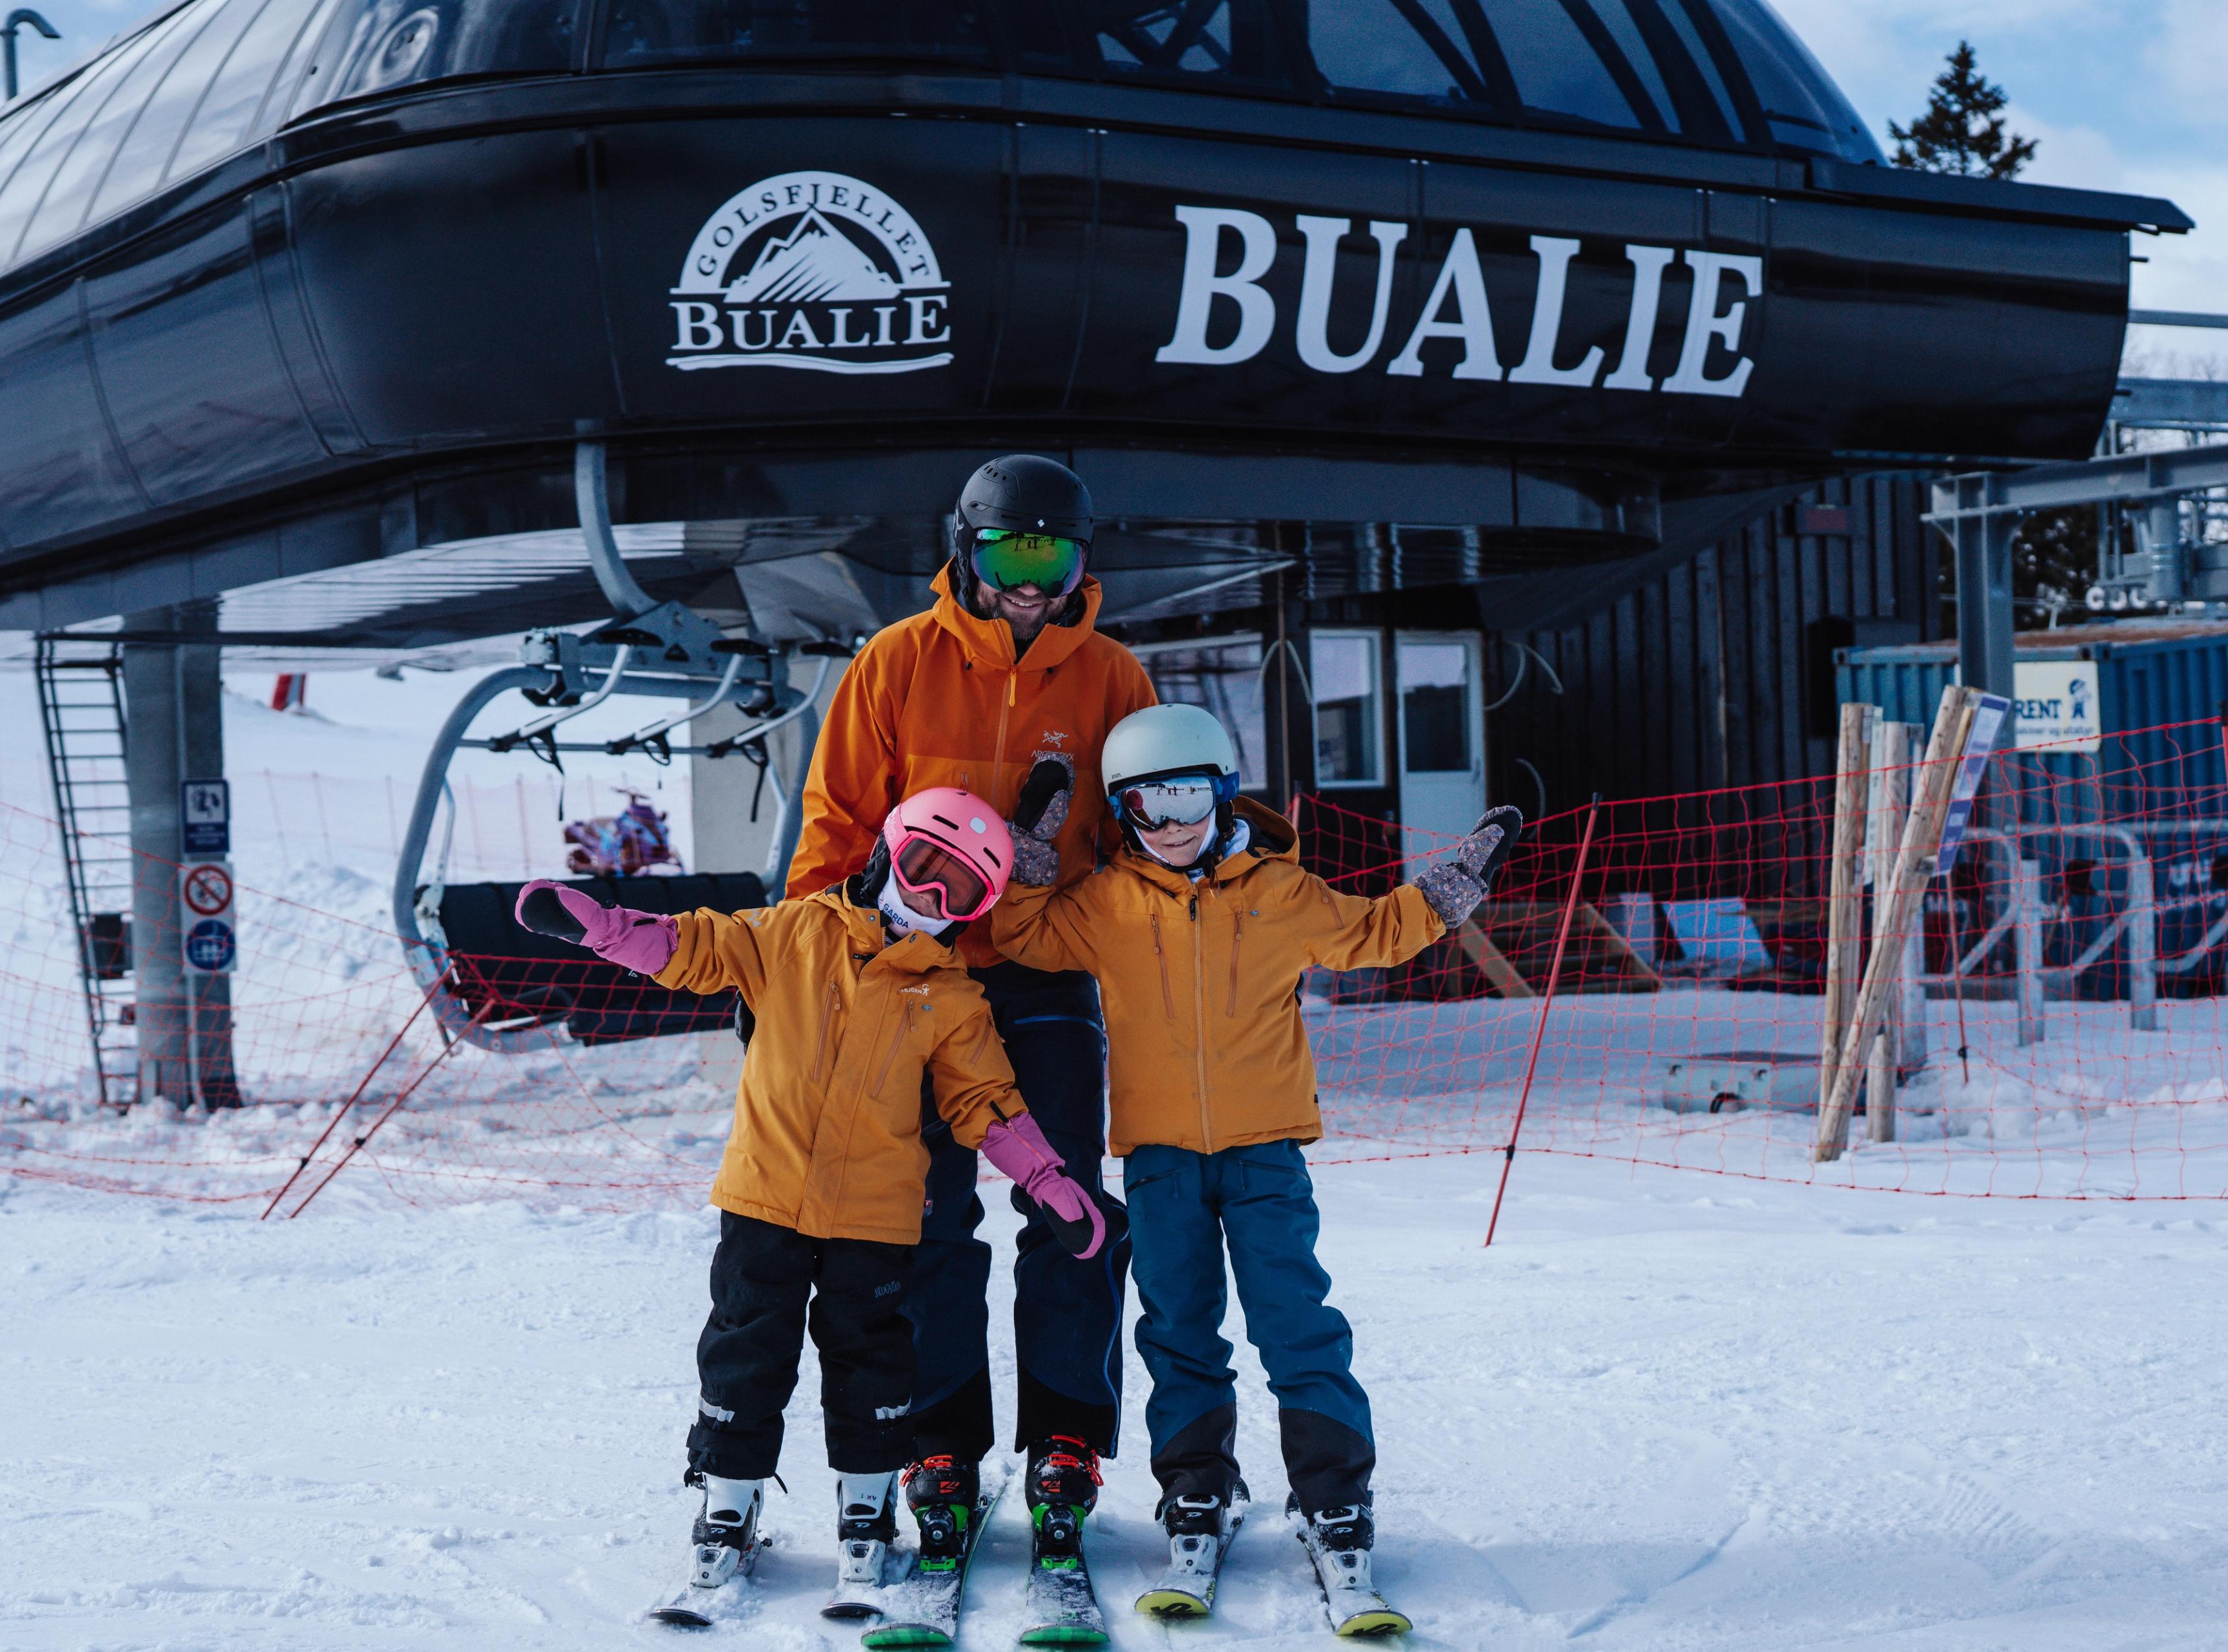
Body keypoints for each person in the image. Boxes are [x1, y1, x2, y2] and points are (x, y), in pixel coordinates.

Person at [513, 788, 1108, 1612]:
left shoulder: (952, 993)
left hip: (875, 1215)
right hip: (765, 1197)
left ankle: (866, 1510)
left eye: (960, 890)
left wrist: (1046, 1176)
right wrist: (607, 929)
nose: (933, 899)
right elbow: (694, 946)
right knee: (744, 1353)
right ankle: (728, 1506)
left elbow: (988, 1100)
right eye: (925, 870)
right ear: (885, 855)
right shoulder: (791, 931)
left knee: (873, 1364)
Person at [990, 704, 1518, 1629]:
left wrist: (1450, 886)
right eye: (1148, 805)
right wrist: (1032, 844)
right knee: (1180, 1329)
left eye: (1189, 792)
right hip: (1158, 1160)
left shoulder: (1283, 890)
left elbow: (1373, 933)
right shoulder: (1106, 903)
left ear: (1223, 789)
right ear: (1123, 813)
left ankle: (1334, 1504)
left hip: (1265, 1151)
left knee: (1296, 1325)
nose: (1174, 821)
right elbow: (1024, 935)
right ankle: (1197, 1494)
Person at [786, 455, 1157, 1545]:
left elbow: (1147, 839)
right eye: (1010, 552)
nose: (1031, 579)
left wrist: (1102, 899)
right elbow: (837, 820)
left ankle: (1067, 1436)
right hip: (917, 977)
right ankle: (938, 1437)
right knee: (928, 1213)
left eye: (1053, 554)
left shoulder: (1114, 679)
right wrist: (817, 962)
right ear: (969, 549)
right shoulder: (897, 661)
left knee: (1068, 1203)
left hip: (1044, 975)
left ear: (1082, 558)